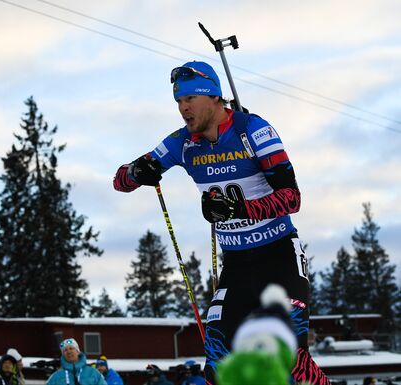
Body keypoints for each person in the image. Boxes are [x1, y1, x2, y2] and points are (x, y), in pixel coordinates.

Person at [113, 60, 330, 385]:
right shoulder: (180, 142)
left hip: (279, 255)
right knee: (217, 358)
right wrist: (134, 173)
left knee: (290, 355)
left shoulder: (252, 130)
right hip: (238, 263)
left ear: (213, 97)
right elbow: (120, 180)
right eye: (178, 102)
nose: (183, 108)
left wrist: (238, 208)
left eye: (189, 99)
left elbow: (292, 198)